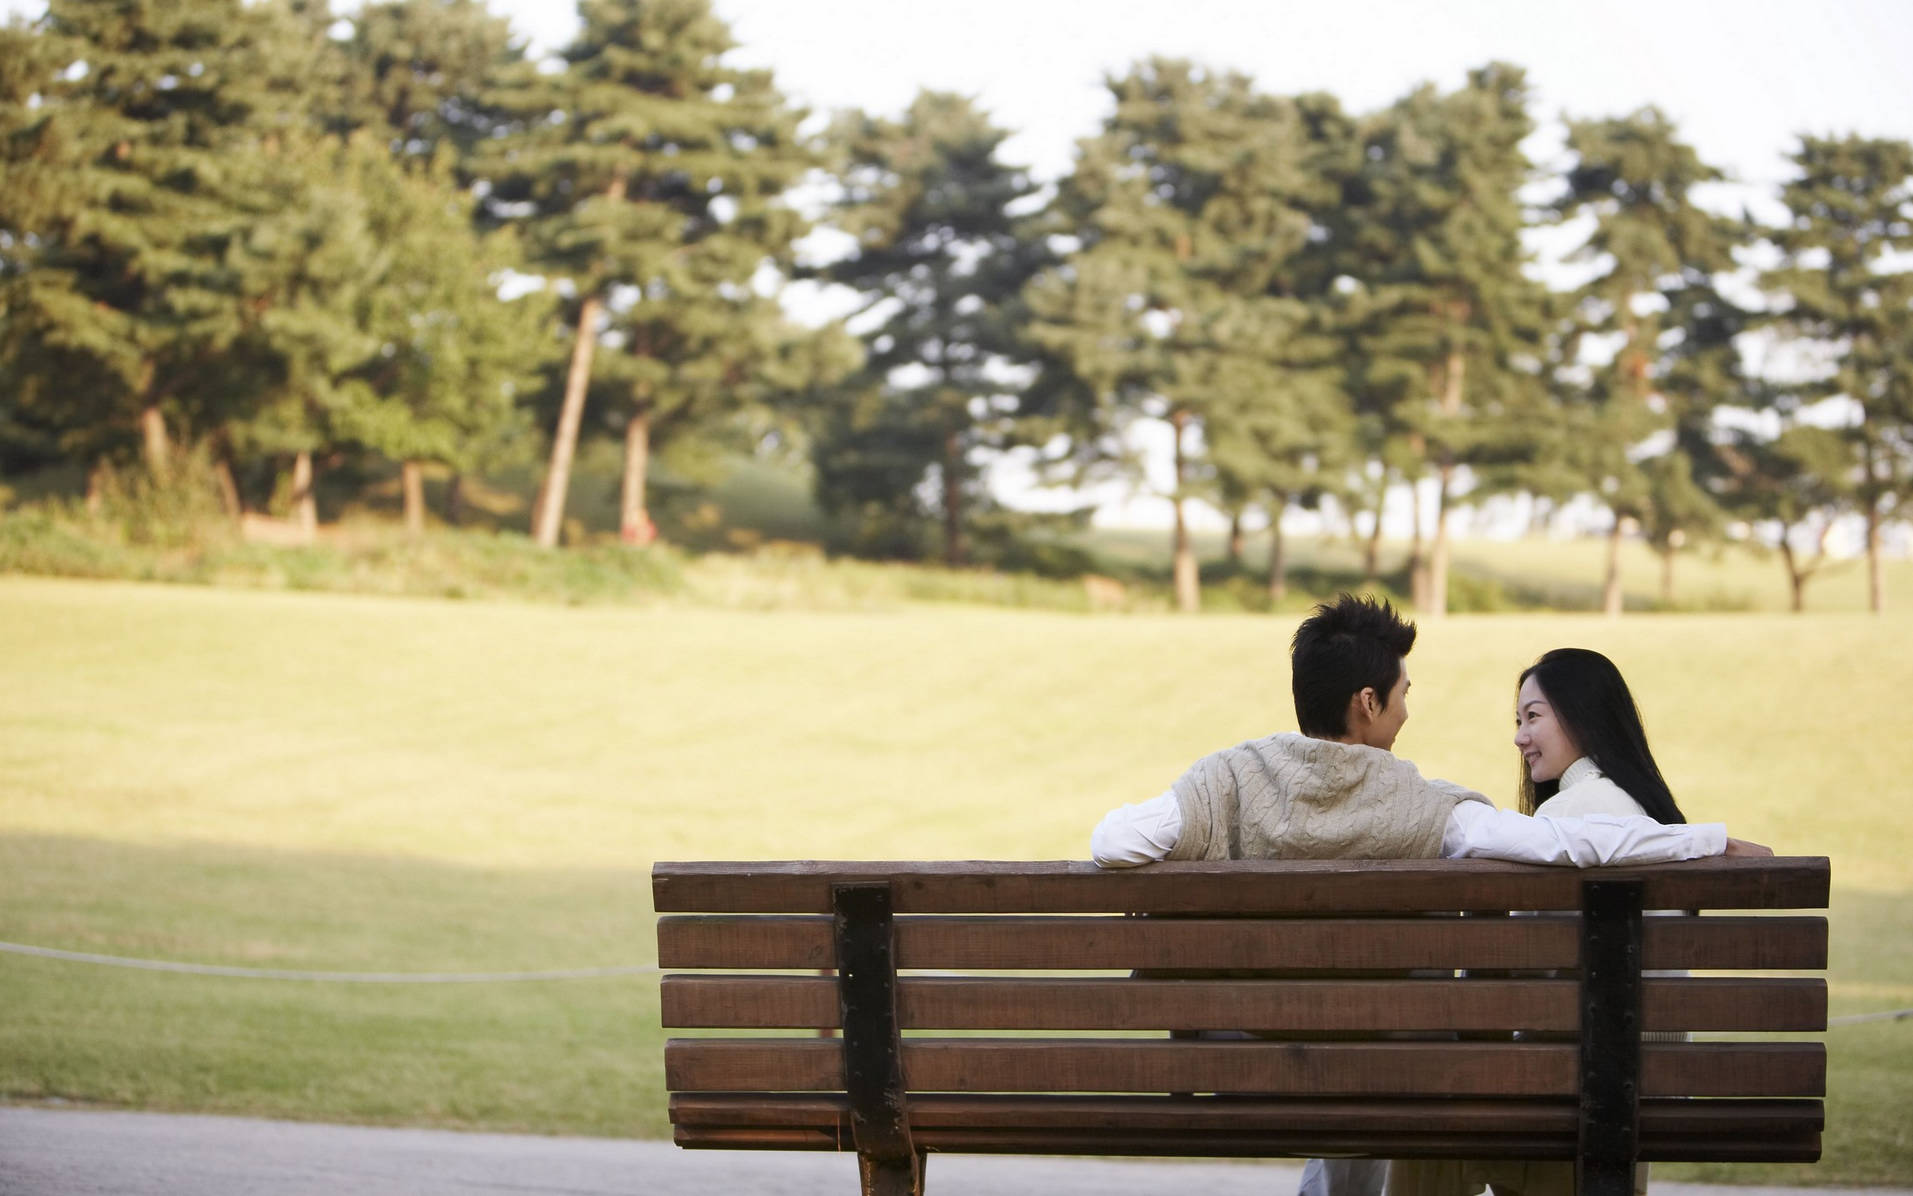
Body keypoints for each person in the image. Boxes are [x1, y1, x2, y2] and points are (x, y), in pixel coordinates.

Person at [1089, 596, 1770, 1196]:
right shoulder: (1426, 808)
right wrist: (1699, 839)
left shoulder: (1224, 781)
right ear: (1367, 701)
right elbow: (1569, 846)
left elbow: (1114, 842)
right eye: (1403, 692)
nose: (1407, 710)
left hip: (1243, 1075)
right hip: (1389, 1079)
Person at [1388, 648, 1701, 1196]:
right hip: (1645, 1097)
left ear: (1582, 716)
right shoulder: (1651, 818)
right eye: (1518, 720)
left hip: (1570, 1101)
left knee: (1427, 1129)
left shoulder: (1564, 820)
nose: (1519, 737)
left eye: (1533, 717)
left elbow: (1509, 982)